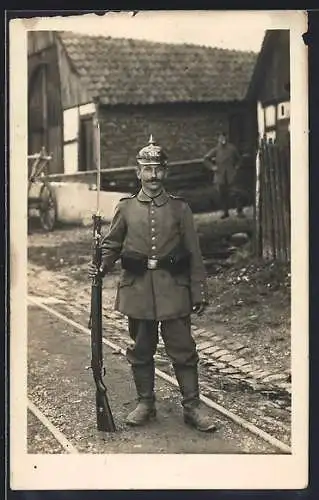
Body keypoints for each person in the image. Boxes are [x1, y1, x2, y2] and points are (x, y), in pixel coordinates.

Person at [88, 135, 217, 432]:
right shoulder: (126, 208)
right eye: (147, 169)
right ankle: (145, 402)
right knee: (141, 349)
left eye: (158, 169)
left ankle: (192, 406)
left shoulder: (180, 209)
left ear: (166, 172)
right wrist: (100, 266)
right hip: (138, 290)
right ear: (138, 173)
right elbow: (112, 245)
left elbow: (194, 253)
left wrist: (198, 289)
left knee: (184, 350)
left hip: (174, 290)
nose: (153, 175)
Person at [204, 132, 245, 219]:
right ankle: (225, 212)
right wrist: (213, 167)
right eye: (221, 138)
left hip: (231, 175)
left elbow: (239, 159)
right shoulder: (216, 150)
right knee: (223, 195)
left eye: (224, 138)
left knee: (236, 193)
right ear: (219, 139)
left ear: (227, 139)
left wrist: (236, 167)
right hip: (220, 175)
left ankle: (239, 211)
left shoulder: (232, 149)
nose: (223, 140)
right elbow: (206, 159)